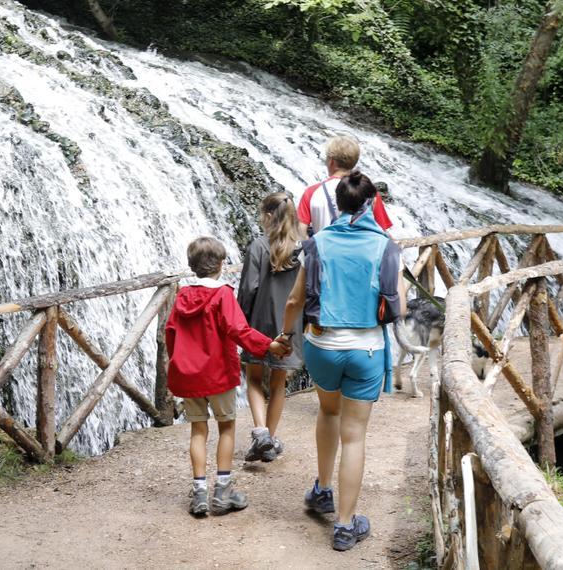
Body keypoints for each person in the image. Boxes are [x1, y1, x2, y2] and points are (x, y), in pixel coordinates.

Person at [282, 171, 402, 551]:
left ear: (338, 203)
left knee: (328, 412)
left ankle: (323, 491)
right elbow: (396, 300)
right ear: (371, 204)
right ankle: (346, 525)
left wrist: (286, 336)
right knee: (355, 436)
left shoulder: (317, 243)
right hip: (366, 348)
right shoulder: (385, 245)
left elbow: (295, 301)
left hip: (322, 345)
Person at [166, 236, 292, 517]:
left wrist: (176, 368)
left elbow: (170, 334)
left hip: (188, 377)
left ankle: (199, 494)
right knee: (226, 428)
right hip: (218, 374)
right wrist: (269, 345)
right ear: (221, 265)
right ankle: (222, 491)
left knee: (198, 431)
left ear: (192, 266)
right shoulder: (222, 294)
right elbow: (239, 330)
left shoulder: (182, 297)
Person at [237, 192, 307, 463]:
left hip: (259, 321)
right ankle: (271, 437)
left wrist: (239, 323)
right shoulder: (302, 248)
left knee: (254, 377)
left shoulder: (258, 246)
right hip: (290, 324)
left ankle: (261, 433)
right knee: (278, 382)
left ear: (267, 217)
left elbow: (248, 289)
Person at [298, 136, 393, 236]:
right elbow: (381, 231)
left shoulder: (311, 192)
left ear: (331, 161)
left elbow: (301, 232)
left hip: (323, 249)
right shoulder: (368, 191)